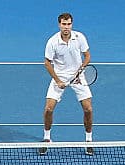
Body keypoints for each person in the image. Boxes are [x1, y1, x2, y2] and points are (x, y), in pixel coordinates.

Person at [41, 13, 93, 156]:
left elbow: (87, 56)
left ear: (72, 24)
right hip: (60, 76)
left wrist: (80, 71)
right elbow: (47, 63)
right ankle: (46, 138)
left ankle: (89, 141)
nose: (66, 27)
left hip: (78, 75)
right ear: (59, 25)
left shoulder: (80, 37)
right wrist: (57, 80)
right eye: (64, 24)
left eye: (69, 24)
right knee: (48, 109)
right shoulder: (52, 42)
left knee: (88, 109)